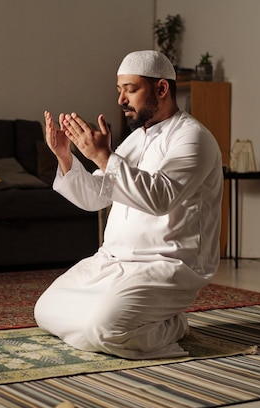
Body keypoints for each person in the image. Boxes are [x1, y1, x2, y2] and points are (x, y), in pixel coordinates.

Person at [34, 50, 224, 360]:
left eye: (130, 89)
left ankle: (172, 325)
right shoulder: (137, 139)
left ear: (161, 89)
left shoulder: (193, 138)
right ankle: (123, 321)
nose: (121, 100)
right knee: (44, 311)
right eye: (119, 90)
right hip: (110, 262)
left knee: (103, 329)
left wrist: (103, 156)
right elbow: (95, 197)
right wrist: (66, 157)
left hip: (165, 266)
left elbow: (159, 198)